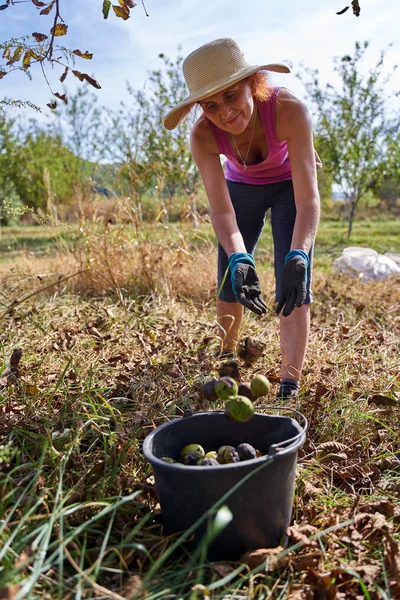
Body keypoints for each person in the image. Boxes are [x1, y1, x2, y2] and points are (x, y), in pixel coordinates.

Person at [163, 38, 321, 399]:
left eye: (231, 96)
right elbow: (220, 210)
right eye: (211, 105)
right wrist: (238, 256)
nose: (224, 113)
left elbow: (308, 198)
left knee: (294, 278)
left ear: (254, 83)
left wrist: (299, 254)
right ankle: (226, 362)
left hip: (290, 185)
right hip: (242, 189)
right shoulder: (203, 135)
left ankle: (290, 384)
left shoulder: (289, 109)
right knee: (231, 276)